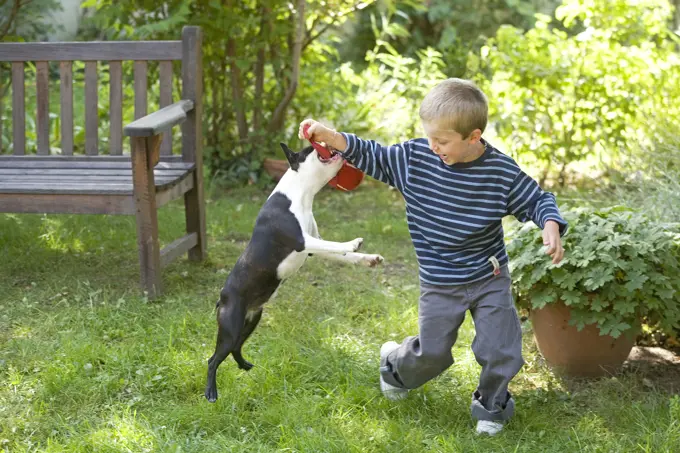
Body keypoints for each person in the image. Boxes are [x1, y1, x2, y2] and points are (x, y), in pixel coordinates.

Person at [298, 78, 567, 436]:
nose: (433, 145)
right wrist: (331, 137)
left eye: (442, 141)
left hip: (489, 275)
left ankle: (492, 406)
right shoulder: (415, 159)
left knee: (500, 348)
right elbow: (372, 154)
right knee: (434, 353)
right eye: (430, 137)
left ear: (473, 137)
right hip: (440, 280)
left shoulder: (499, 173)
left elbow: (536, 199)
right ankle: (395, 367)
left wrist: (549, 223)